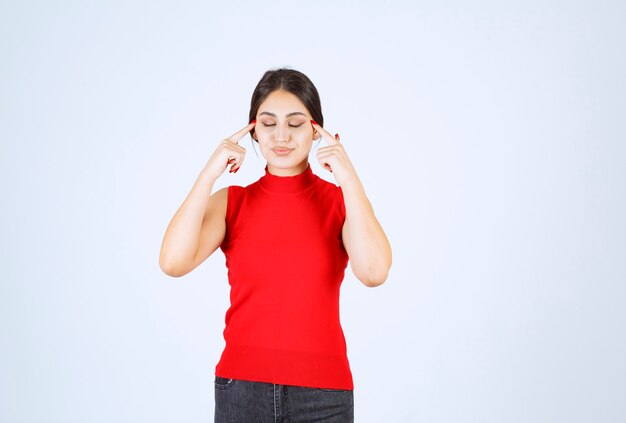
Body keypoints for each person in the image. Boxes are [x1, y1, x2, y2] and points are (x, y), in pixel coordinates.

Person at [159, 68, 392, 423]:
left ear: (316, 130)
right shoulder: (232, 203)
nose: (281, 135)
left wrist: (348, 177)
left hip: (324, 396)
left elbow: (374, 272)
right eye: (268, 123)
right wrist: (209, 174)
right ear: (253, 130)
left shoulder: (340, 202)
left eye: (295, 123)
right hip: (242, 390)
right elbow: (173, 262)